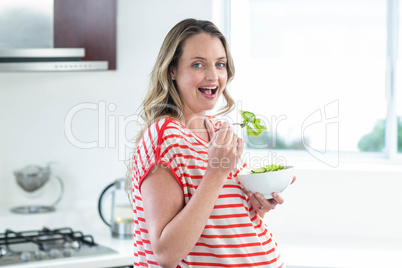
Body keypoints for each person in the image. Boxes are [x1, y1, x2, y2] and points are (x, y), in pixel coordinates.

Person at [130, 18, 295, 268]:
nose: (213, 76)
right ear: (172, 69)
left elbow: (216, 223)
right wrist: (217, 171)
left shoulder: (218, 131)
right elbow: (166, 253)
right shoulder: (163, 136)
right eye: (198, 65)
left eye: (220, 64)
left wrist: (256, 207)